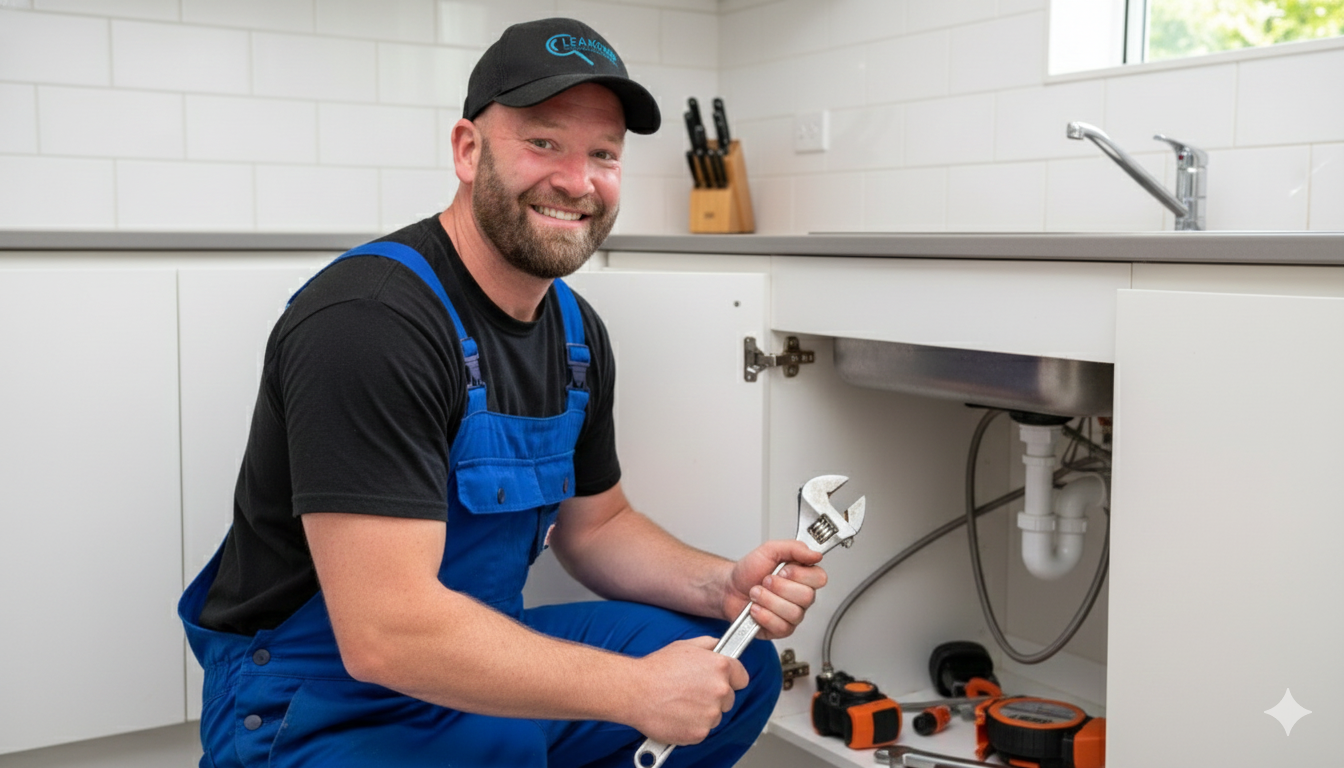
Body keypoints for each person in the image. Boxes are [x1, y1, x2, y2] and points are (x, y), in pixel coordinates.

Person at [179, 17, 828, 768]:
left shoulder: (575, 332)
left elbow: (596, 526)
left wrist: (721, 587)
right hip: (319, 702)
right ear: (467, 149)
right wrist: (629, 689)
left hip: (474, 648)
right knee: (543, 730)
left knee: (728, 669)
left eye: (604, 154)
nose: (577, 181)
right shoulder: (371, 321)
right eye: (544, 142)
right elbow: (387, 632)